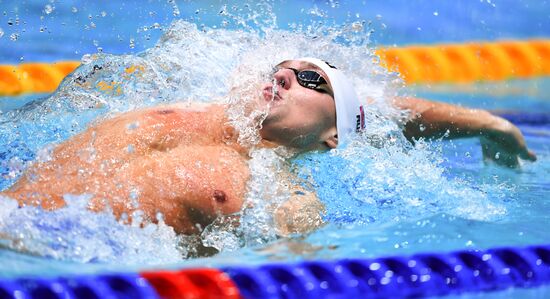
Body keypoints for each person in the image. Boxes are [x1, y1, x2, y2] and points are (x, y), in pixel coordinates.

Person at [0, 58, 536, 237]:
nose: (284, 74)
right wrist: (487, 121)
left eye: (310, 79)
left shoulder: (281, 192)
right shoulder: (194, 102)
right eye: (282, 68)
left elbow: (291, 261)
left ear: (333, 137)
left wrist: (492, 123)